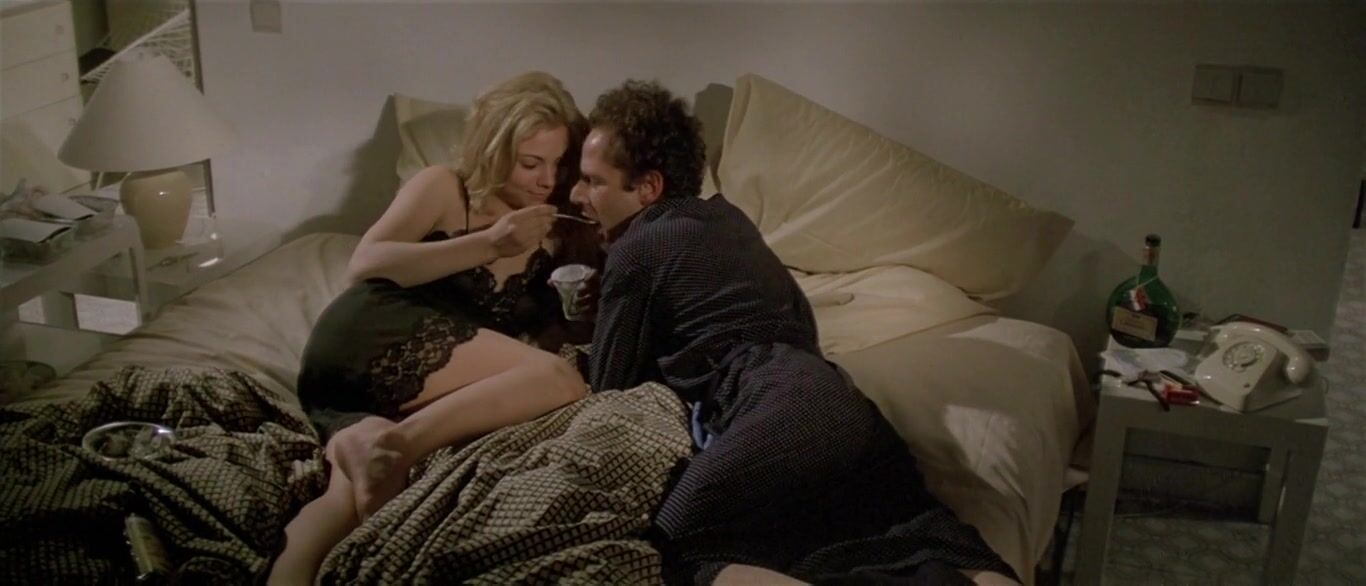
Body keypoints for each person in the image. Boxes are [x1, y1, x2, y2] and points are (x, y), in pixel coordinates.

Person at [570, 80, 1020, 585]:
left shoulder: (636, 248)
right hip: (841, 402)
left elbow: (609, 388)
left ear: (648, 188)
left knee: (673, 546)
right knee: (921, 532)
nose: (575, 194)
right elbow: (796, 319)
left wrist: (601, 310)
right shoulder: (730, 218)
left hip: (773, 409)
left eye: (592, 181)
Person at [267, 72, 599, 585]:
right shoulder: (446, 187)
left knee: (349, 498)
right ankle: (401, 443)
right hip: (373, 331)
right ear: (493, 150)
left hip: (392, 391)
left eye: (558, 164)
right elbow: (365, 264)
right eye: (530, 163)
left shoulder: (558, 228)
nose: (546, 179)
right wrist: (490, 244)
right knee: (559, 380)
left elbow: (552, 334)